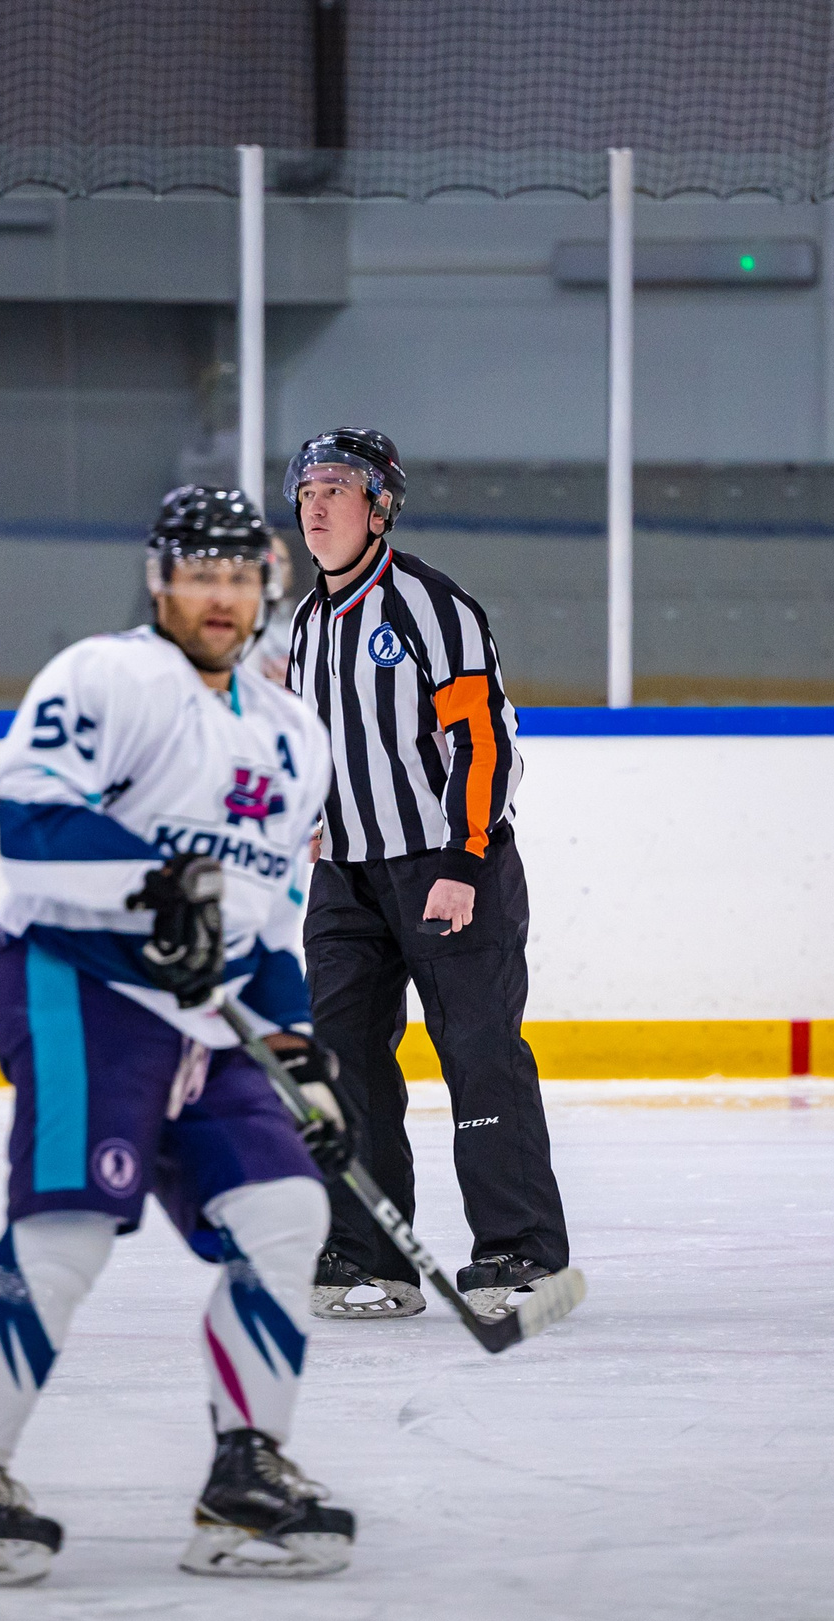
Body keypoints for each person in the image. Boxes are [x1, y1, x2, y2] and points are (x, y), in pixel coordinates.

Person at [0, 486, 352, 1588]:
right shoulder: (104, 677)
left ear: (267, 587)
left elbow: (267, 917)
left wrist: (292, 1046)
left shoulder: (294, 734)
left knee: (287, 1213)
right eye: (201, 575)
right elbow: (29, 825)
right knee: (68, 1233)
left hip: (217, 1025)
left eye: (240, 577)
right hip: (84, 989)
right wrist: (159, 885)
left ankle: (245, 1478)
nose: (220, 597)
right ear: (160, 580)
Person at [279, 428, 573, 1325]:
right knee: (348, 1067)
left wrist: (462, 859)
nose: (318, 504)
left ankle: (522, 1252)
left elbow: (482, 741)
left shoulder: (429, 607)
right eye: (307, 488)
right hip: (347, 877)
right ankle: (371, 1253)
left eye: (339, 487)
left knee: (480, 1056)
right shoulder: (305, 620)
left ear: (380, 507)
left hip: (451, 868)